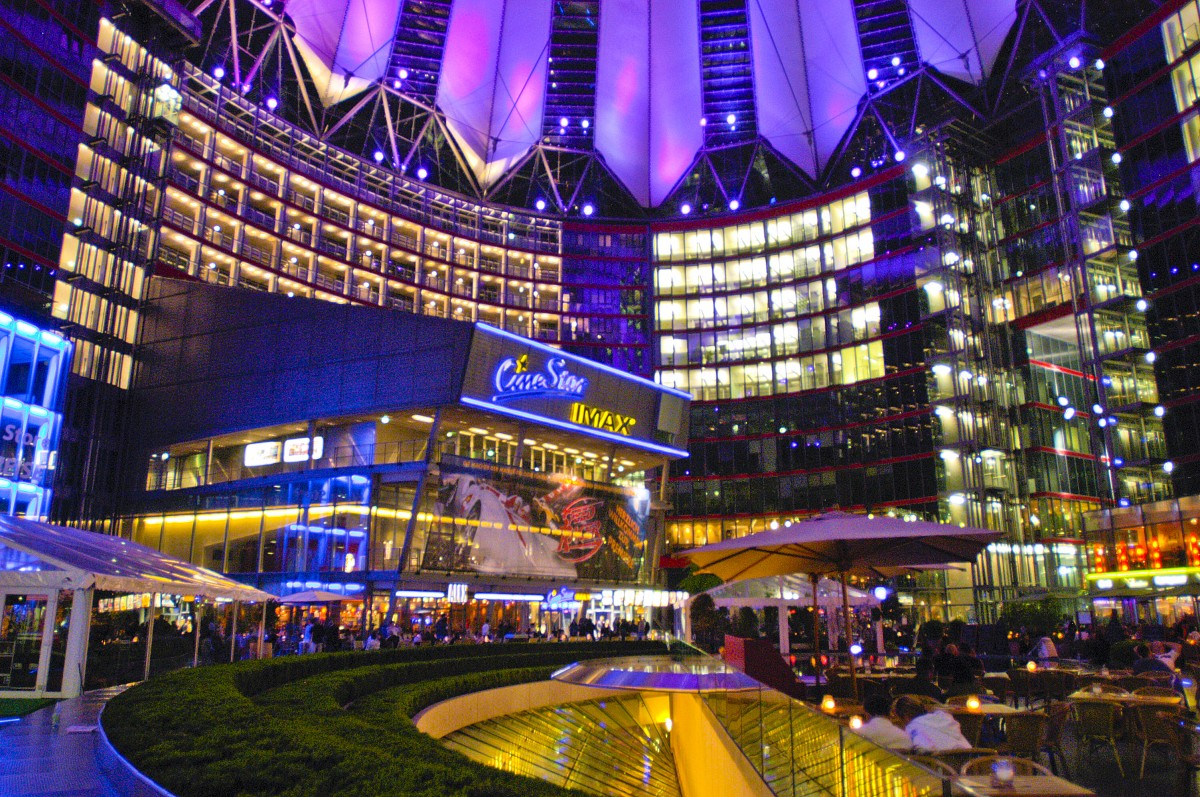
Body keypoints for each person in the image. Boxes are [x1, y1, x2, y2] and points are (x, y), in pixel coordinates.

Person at [892, 695, 971, 753]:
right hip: (971, 762)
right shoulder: (943, 718)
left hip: (945, 768)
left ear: (905, 717)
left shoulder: (913, 727)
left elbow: (924, 748)